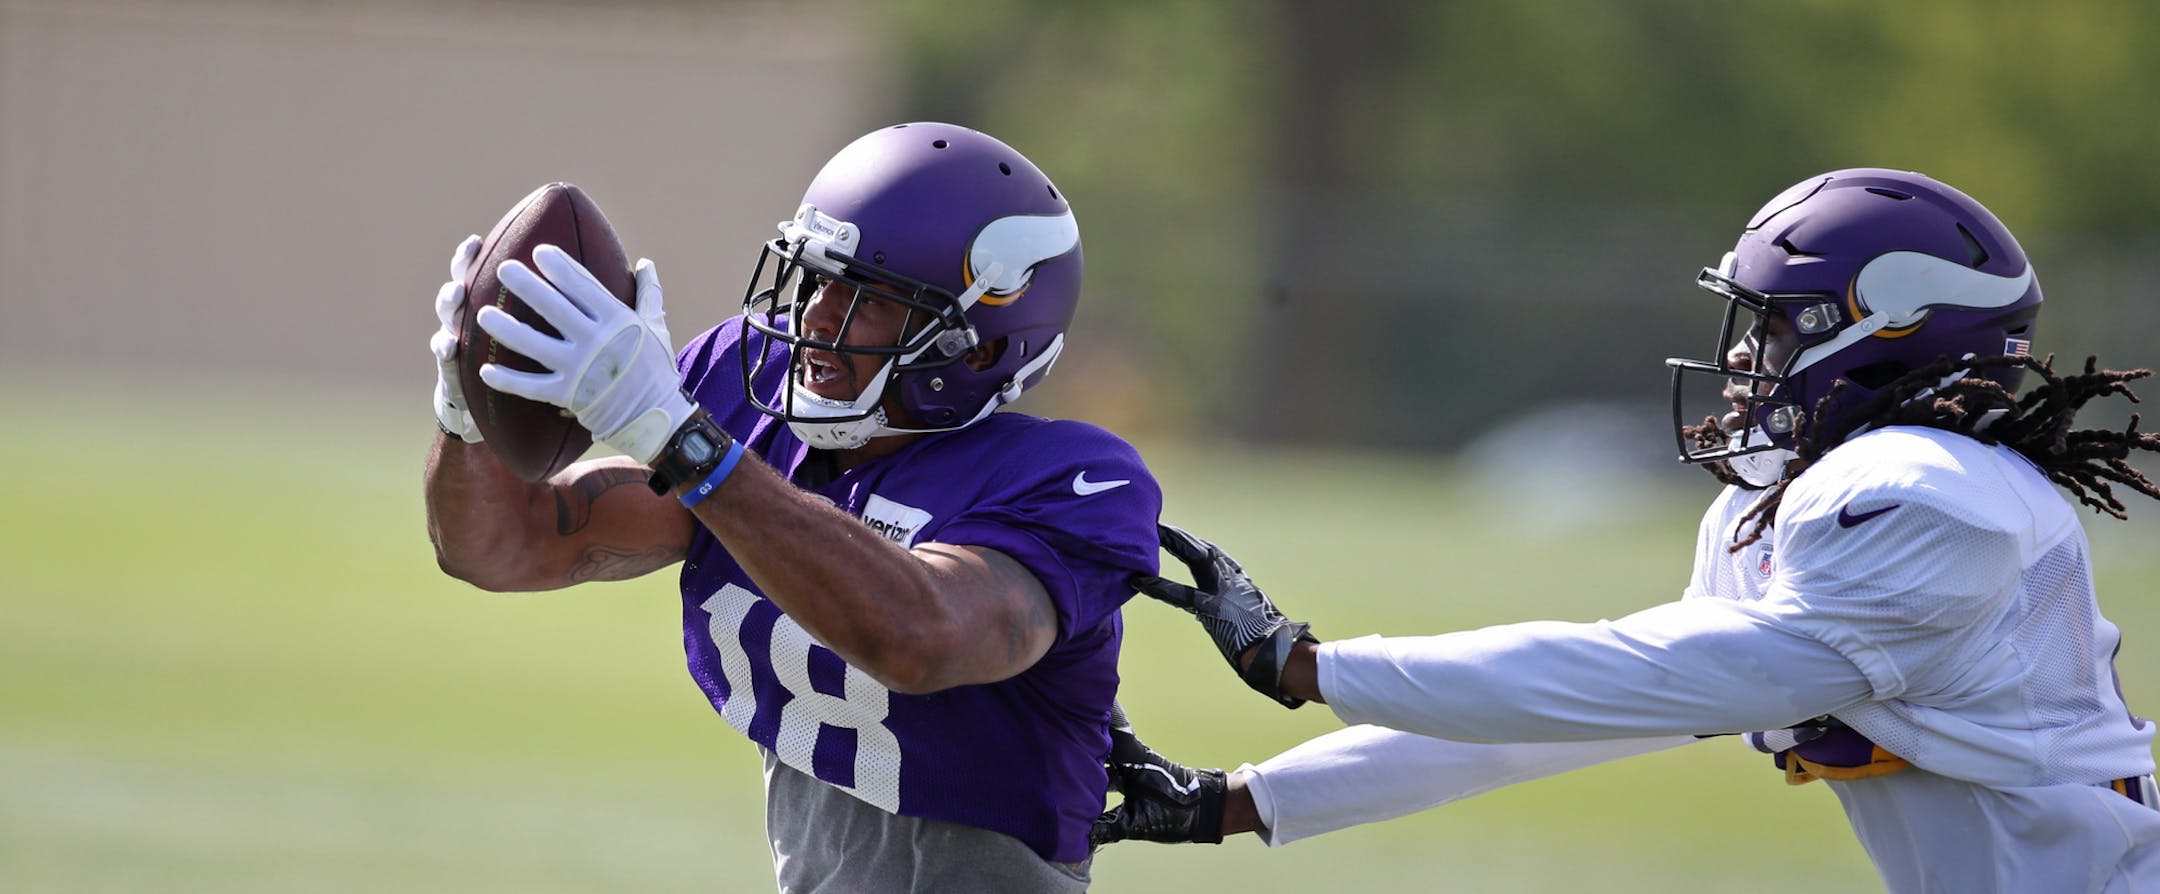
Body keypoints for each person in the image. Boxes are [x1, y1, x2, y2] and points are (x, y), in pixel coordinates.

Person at [1093, 168, 2160, 892]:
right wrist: (1238, 802)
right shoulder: (1784, 506)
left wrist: (1312, 667)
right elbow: (1571, 714)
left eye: (1779, 325)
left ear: (1885, 335)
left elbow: (1629, 678)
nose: (1745, 358)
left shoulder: (1921, 492)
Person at [424, 122, 1162, 892]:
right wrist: (466, 417)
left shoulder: (1072, 479)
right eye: (815, 278)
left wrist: (681, 440)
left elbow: (921, 637)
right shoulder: (754, 401)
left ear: (976, 350)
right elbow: (504, 546)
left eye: (865, 299)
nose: (813, 316)